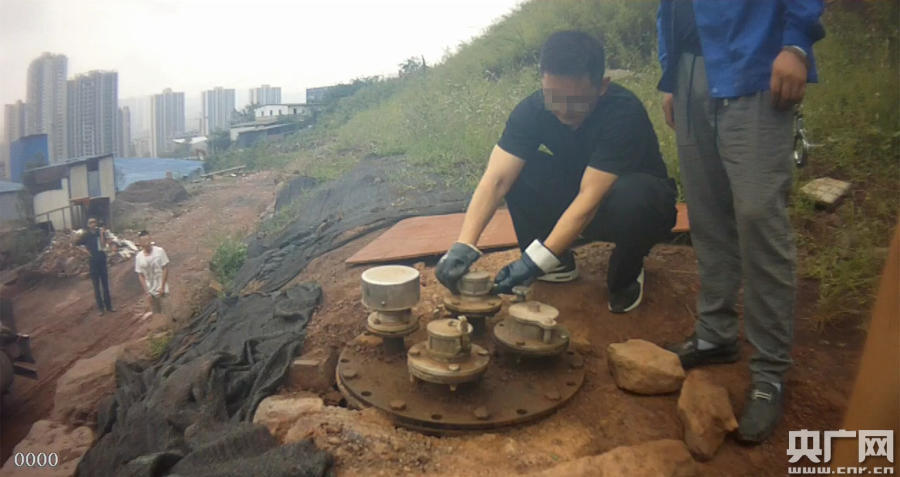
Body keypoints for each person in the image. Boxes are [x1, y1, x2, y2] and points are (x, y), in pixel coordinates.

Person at [656, 0, 825, 443]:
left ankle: (770, 371)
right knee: (707, 213)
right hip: (690, 72)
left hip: (753, 64)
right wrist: (672, 73)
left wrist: (796, 44)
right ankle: (715, 335)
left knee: (757, 217)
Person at [436, 31, 677, 313]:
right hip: (581, 199)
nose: (563, 111)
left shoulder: (623, 113)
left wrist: (534, 262)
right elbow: (497, 179)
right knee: (519, 170)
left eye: (575, 101)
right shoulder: (532, 111)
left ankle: (627, 272)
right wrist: (464, 244)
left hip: (630, 207)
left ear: (602, 86)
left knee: (635, 196)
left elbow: (590, 198)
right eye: (553, 98)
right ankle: (557, 262)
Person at [76, 217, 114, 315]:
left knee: (105, 285)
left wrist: (101, 234)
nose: (93, 224)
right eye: (91, 223)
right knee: (96, 286)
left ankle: (109, 306)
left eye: (94, 222)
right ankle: (101, 308)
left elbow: (103, 245)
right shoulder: (86, 235)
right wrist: (85, 251)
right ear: (88, 225)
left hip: (102, 260)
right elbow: (77, 244)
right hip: (93, 262)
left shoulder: (100, 232)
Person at [134, 230, 169, 315]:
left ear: (150, 239)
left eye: (148, 240)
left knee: (167, 311)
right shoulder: (139, 257)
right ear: (140, 243)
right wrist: (147, 292)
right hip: (151, 291)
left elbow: (165, 268)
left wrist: (162, 286)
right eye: (144, 241)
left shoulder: (159, 251)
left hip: (162, 288)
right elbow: (140, 275)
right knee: (156, 313)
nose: (147, 243)